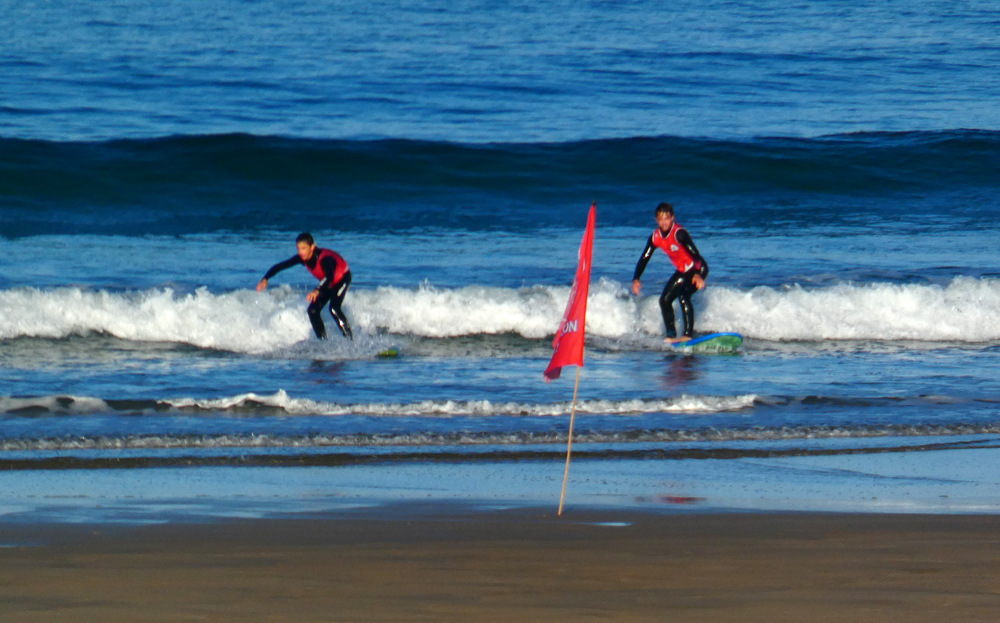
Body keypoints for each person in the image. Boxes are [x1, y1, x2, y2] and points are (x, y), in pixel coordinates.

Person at [631, 202, 709, 343]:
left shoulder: (679, 234)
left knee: (683, 295)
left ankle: (688, 335)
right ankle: (671, 336)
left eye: (666, 218)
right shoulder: (655, 237)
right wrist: (636, 278)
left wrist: (698, 274)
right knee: (665, 300)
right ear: (656, 220)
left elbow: (696, 255)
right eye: (660, 219)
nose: (664, 222)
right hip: (682, 271)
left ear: (672, 218)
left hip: (697, 268)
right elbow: (645, 257)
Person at [257, 233, 353, 340]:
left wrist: (317, 290)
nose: (300, 252)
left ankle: (350, 341)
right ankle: (324, 342)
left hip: (342, 278)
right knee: (312, 311)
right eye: (298, 249)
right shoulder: (302, 258)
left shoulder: (324, 259)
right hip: (327, 282)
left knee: (334, 308)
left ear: (312, 247)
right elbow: (281, 266)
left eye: (304, 248)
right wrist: (266, 278)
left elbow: (330, 276)